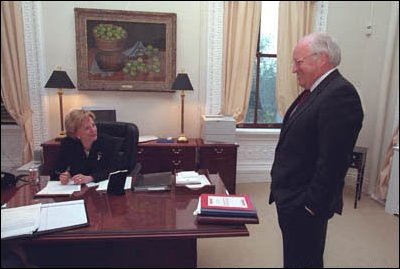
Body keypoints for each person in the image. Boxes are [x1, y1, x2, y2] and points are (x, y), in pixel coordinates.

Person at [269, 32, 364, 268]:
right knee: (296, 259)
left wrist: (311, 206)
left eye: (298, 62)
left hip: (305, 205)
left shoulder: (340, 94)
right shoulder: (317, 91)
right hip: (291, 198)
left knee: (305, 261)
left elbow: (333, 161)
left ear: (321, 59)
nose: (293, 69)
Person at [51, 109, 123, 185]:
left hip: (102, 190)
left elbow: (114, 170)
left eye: (93, 125)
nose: (93, 130)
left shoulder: (108, 142)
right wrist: (64, 176)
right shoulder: (68, 144)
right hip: (76, 190)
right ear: (76, 134)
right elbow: (56, 170)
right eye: (87, 128)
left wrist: (91, 178)